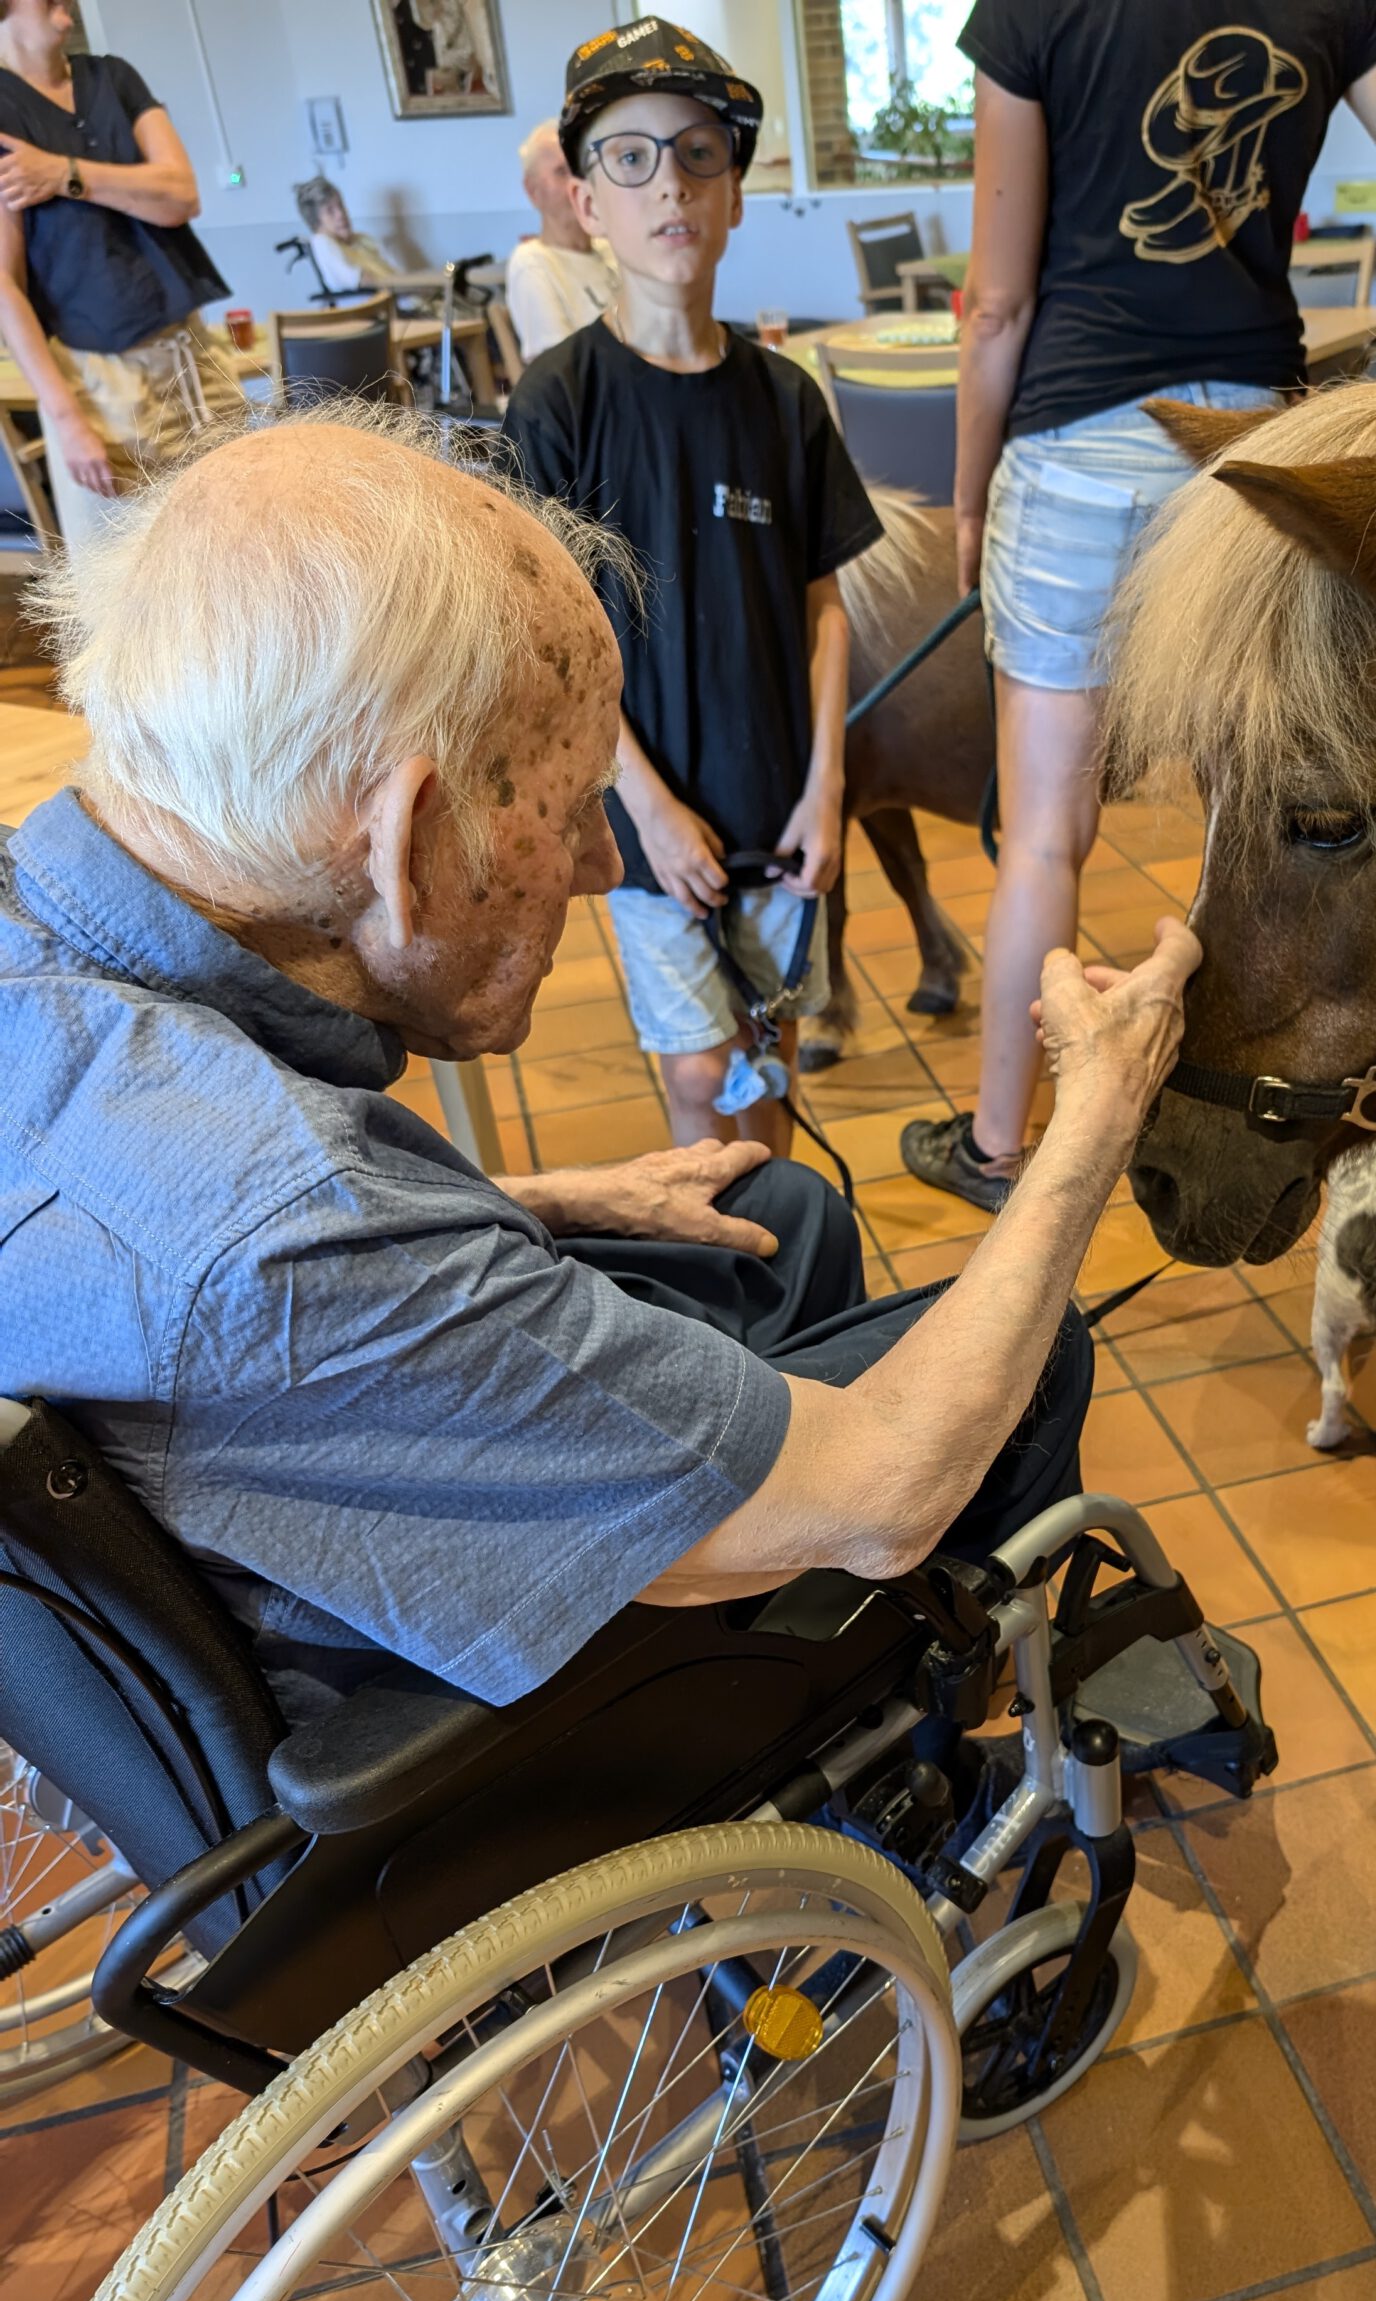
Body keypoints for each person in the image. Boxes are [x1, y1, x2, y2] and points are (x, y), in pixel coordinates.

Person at [0, 403, 1199, 1714]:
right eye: (572, 811)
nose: (605, 865)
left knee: (770, 1211)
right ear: (404, 844)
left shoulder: (47, 952)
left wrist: (529, 1203)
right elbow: (882, 1491)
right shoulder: (299, 1224)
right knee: (1031, 1368)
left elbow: (182, 1272)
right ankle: (901, 1702)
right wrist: (1096, 1114)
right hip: (478, 1717)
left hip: (260, 1492)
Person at [898, 0, 1376, 1211]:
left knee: (1040, 837)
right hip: (1242, 457)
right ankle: (1233, 1092)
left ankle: (1001, 1151)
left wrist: (967, 501)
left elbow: (998, 306)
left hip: (1073, 445)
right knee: (1251, 818)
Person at [506, 20, 873, 1156]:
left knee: (767, 1053)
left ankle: (789, 1288)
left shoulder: (786, 399)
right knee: (697, 1070)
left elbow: (822, 605)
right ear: (585, 201)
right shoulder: (558, 403)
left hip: (779, 808)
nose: (668, 181)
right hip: (646, 823)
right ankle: (724, 1307)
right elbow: (557, 647)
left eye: (698, 152)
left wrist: (826, 788)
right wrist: (651, 812)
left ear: (735, 192)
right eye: (630, 157)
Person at [0, 0, 245, 542]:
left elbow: (180, 196)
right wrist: (65, 418)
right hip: (99, 381)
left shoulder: (114, 76)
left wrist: (63, 173)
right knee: (133, 573)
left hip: (191, 349)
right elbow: (4, 287)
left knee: (237, 546)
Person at [505, 119, 616, 361]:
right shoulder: (532, 263)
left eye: (582, 168)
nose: (579, 184)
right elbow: (560, 372)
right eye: (562, 172)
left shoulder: (611, 249)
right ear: (532, 191)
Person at [293, 175, 402, 300]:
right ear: (317, 223)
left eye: (341, 206)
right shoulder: (322, 242)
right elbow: (361, 280)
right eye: (330, 211)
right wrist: (408, 286)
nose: (341, 214)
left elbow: (398, 272)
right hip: (378, 310)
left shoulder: (363, 240)